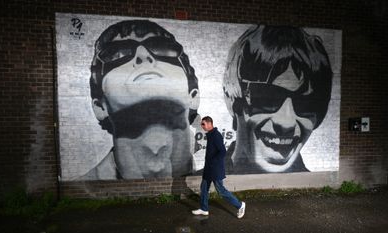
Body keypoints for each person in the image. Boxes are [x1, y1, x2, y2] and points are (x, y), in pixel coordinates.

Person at [82, 20, 200, 180]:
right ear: (99, 106)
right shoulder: (87, 186)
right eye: (119, 53)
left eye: (162, 48)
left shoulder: (214, 173)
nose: (143, 55)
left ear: (193, 95)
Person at [223, 25, 333, 174]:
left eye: (306, 104)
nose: (286, 123)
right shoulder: (204, 182)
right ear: (233, 100)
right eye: (268, 99)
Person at [192, 116, 246, 218]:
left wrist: (213, 162)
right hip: (209, 169)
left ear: (209, 124)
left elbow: (222, 151)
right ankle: (204, 209)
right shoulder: (211, 135)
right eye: (201, 124)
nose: (202, 126)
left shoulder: (216, 135)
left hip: (215, 169)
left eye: (203, 124)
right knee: (204, 188)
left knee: (221, 190)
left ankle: (240, 205)